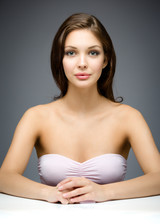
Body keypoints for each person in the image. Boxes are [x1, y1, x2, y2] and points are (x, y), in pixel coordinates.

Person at [0, 13, 160, 204]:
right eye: (71, 53)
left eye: (93, 52)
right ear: (60, 59)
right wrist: (49, 193)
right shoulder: (36, 117)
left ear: (106, 60)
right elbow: (5, 177)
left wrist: (105, 192)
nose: (82, 63)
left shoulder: (129, 117)